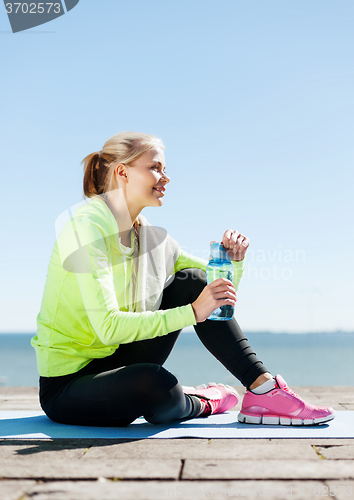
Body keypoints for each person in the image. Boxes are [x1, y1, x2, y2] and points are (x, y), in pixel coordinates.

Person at [31, 131, 335, 427]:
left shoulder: (149, 236)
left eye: (164, 168)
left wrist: (233, 262)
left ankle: (263, 390)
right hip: (68, 386)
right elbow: (108, 328)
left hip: (119, 359)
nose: (165, 177)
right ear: (122, 172)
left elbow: (214, 291)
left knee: (192, 280)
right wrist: (192, 312)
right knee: (156, 385)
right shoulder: (86, 227)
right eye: (154, 167)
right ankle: (205, 401)